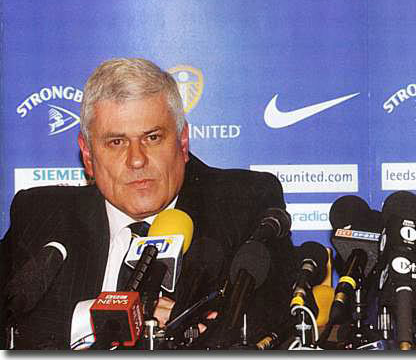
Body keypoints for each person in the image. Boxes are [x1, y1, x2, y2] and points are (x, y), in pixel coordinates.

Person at [0, 58, 295, 349]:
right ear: (88, 156)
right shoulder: (41, 214)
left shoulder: (243, 203)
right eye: (116, 142)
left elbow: (270, 316)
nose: (137, 159)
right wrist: (107, 318)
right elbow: (12, 315)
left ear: (182, 142)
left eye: (152, 137)